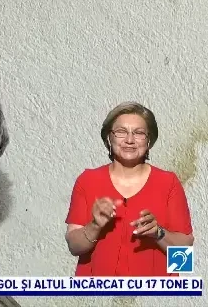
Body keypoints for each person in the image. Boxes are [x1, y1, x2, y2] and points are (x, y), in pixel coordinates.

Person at [64, 102, 194, 276]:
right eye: (121, 132)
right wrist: (95, 226)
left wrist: (158, 233)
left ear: (149, 140)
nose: (130, 140)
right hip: (99, 294)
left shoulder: (168, 182)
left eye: (139, 133)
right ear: (109, 138)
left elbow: (184, 253)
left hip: (154, 296)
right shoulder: (88, 180)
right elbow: (74, 247)